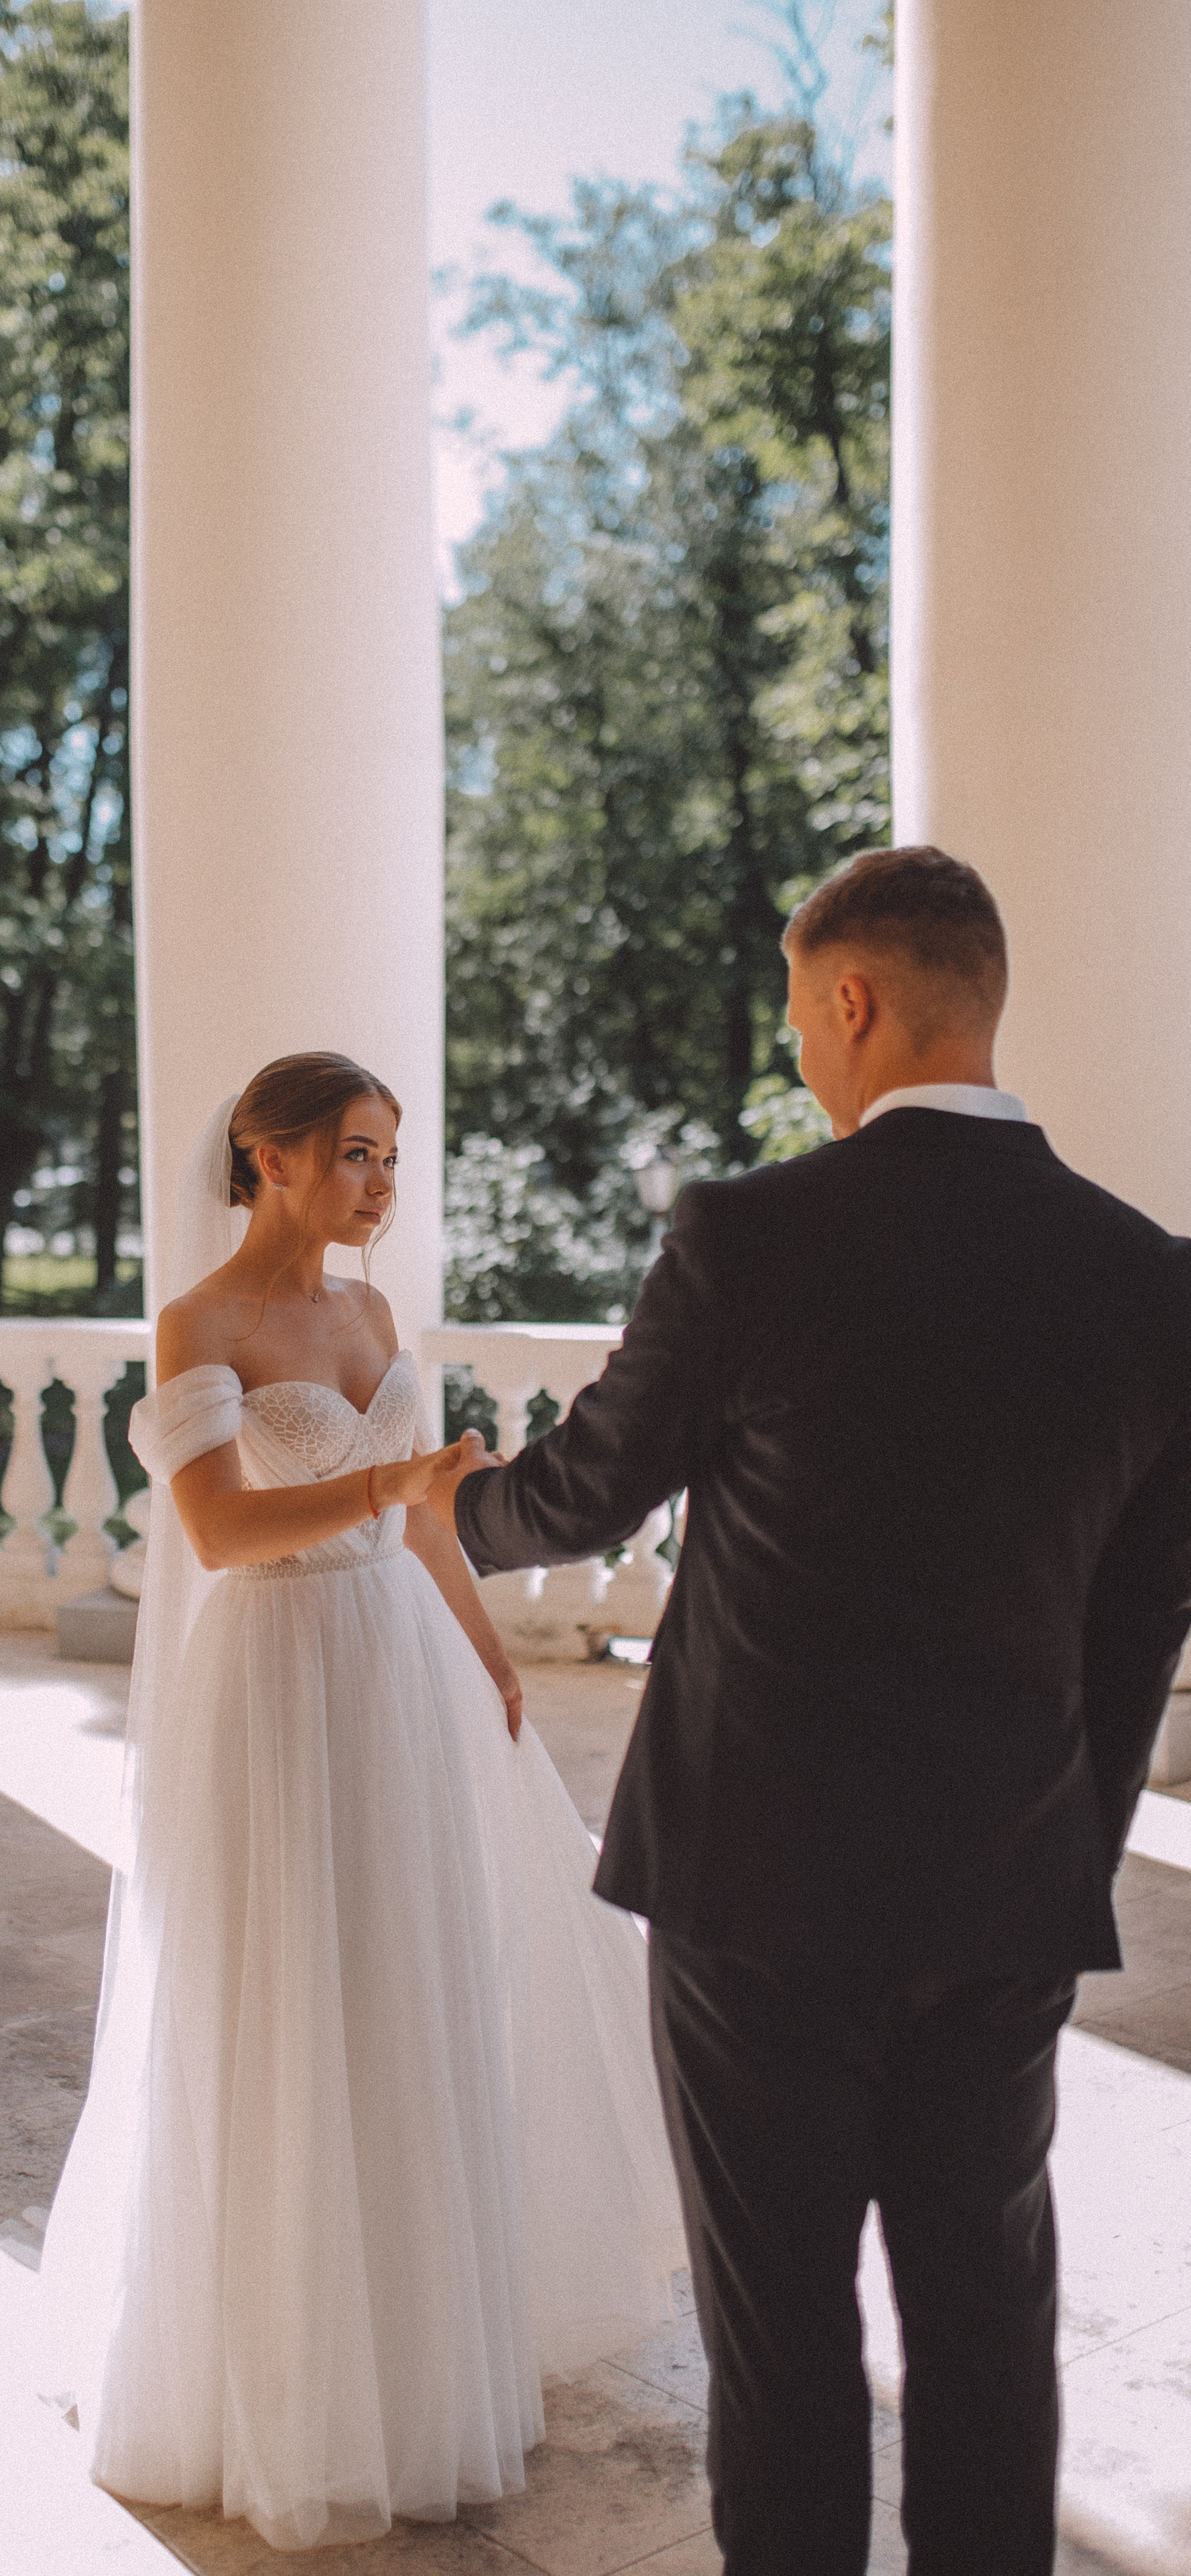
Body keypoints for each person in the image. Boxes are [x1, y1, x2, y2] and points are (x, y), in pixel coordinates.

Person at [430, 845, 1191, 2576]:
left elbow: (592, 1490)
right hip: (1005, 1886)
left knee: (781, 2336)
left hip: (756, 1889)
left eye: (797, 1017)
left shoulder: (750, 1236)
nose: (797, 1055)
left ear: (853, 1000)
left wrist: (452, 1511)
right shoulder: (1158, 1281)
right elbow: (1146, 1607)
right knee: (988, 2315)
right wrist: (1057, 1823)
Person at [39, 1051, 684, 2552]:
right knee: (282, 1998)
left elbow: (429, 1509)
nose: (379, 1182)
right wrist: (390, 1496)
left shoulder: (376, 1314)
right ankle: (276, 2376)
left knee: (407, 1987)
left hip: (397, 1670)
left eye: (390, 1155)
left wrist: (484, 1656)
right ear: (264, 1157)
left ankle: (412, 2353)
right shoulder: (199, 1323)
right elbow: (215, 1530)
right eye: (351, 1153)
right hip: (274, 1685)